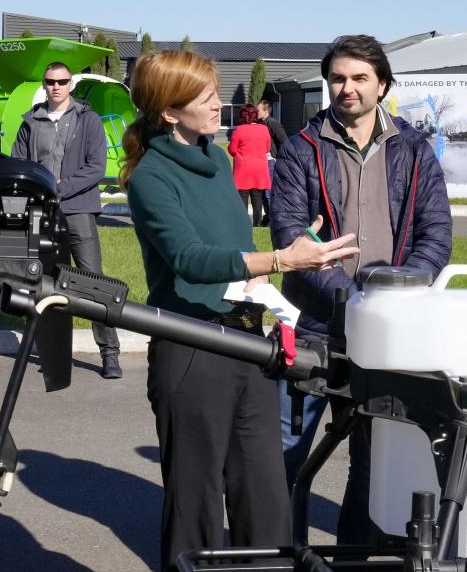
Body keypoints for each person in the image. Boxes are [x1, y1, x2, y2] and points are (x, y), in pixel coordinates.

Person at [121, 50, 359, 572]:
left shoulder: (218, 159)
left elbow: (226, 246)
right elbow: (188, 258)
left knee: (264, 492)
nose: (217, 104)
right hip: (191, 347)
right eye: (203, 96)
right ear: (168, 111)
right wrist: (279, 259)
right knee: (195, 503)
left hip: (247, 341)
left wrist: (270, 263)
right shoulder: (151, 177)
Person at [271, 34, 452, 545]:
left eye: (358, 78)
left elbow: (435, 234)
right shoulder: (301, 149)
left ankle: (354, 553)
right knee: (285, 447)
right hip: (313, 326)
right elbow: (290, 235)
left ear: (383, 84)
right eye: (337, 79)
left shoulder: (415, 150)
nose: (346, 88)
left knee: (374, 457)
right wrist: (350, 299)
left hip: (389, 334)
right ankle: (283, 550)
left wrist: (393, 299)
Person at [11, 62, 122, 378]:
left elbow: (96, 167)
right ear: (44, 85)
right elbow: (21, 164)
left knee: (94, 283)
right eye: (50, 81)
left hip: (79, 211)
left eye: (62, 81)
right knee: (43, 283)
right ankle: (50, 351)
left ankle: (109, 354)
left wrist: (61, 188)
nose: (56, 86)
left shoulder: (89, 120)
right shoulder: (31, 122)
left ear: (71, 84)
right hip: (42, 214)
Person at [228, 103, 272, 227]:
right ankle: (257, 224)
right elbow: (267, 148)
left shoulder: (239, 130)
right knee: (257, 199)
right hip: (259, 168)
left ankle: (242, 224)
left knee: (242, 198)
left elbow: (232, 149)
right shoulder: (264, 129)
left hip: (243, 169)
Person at [257, 99, 287, 226]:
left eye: (258, 110)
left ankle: (273, 219)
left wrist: (278, 159)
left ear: (266, 111)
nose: (255, 112)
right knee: (264, 191)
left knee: (269, 192)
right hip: (262, 161)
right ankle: (268, 216)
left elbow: (284, 142)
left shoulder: (273, 124)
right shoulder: (260, 123)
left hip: (272, 162)